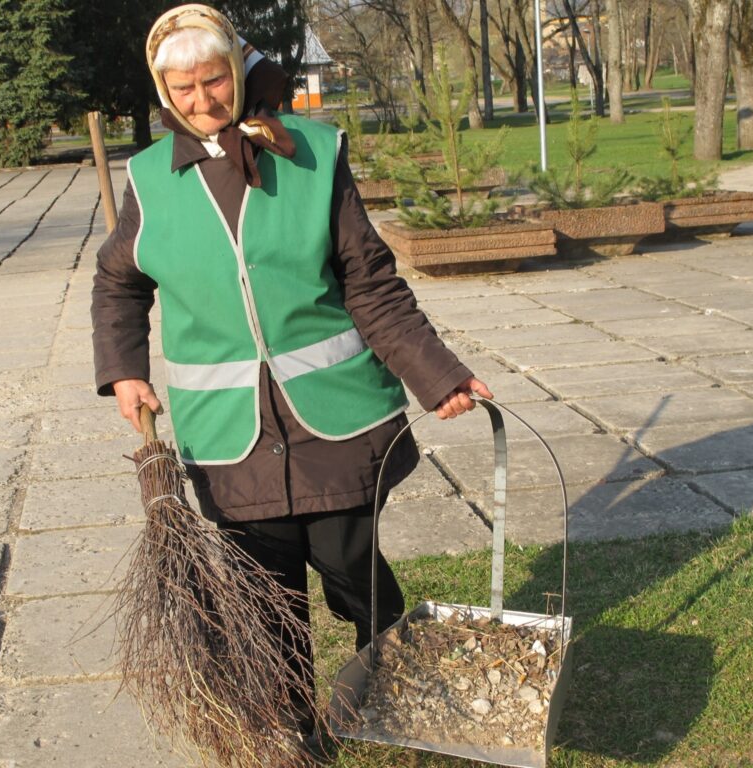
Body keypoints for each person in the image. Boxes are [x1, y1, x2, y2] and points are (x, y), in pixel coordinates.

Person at [91, 3, 493, 757]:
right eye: (183, 90)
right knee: (266, 596)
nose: (203, 100)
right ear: (162, 91)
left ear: (238, 71)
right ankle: (295, 726)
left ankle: (390, 671)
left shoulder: (312, 150)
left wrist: (436, 375)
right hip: (228, 431)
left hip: (333, 420)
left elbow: (369, 281)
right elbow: (118, 283)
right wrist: (123, 373)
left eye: (214, 80)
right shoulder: (147, 178)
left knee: (350, 565)